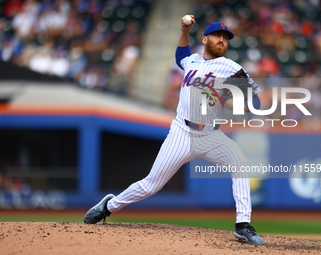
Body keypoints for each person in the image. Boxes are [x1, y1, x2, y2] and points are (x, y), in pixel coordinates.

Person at [84, 15, 265, 245]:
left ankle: (242, 226)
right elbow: (181, 56)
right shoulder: (192, 61)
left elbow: (255, 104)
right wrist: (184, 32)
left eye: (225, 38)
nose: (222, 40)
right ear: (206, 38)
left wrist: (227, 97)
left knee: (240, 163)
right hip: (182, 131)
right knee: (151, 185)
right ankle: (108, 206)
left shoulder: (232, 69)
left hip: (211, 134)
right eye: (217, 36)